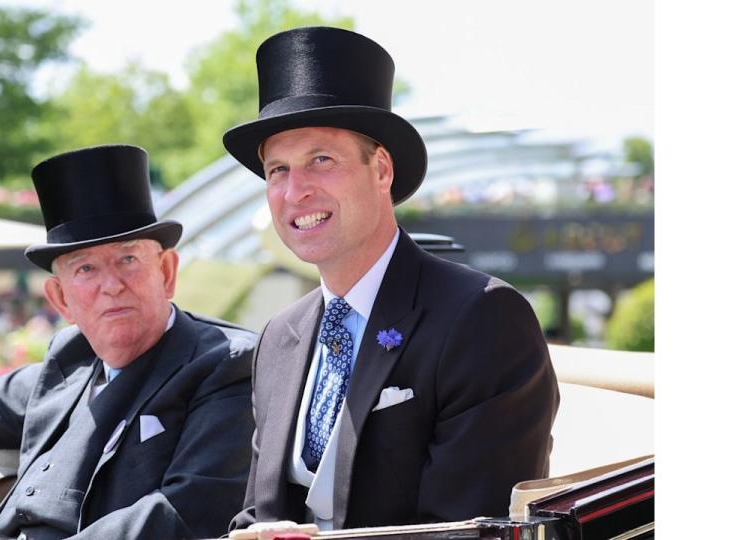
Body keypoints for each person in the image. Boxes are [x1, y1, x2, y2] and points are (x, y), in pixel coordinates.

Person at [222, 27, 560, 531]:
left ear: (381, 169)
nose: (296, 191)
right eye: (277, 170)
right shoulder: (278, 339)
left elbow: (472, 531)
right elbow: (257, 514)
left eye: (321, 160)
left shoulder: (483, 317)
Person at [0, 145, 256, 540]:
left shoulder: (224, 363)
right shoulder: (70, 361)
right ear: (61, 299)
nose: (111, 285)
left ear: (166, 272)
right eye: (85, 268)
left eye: (128, 259)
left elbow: (187, 512)